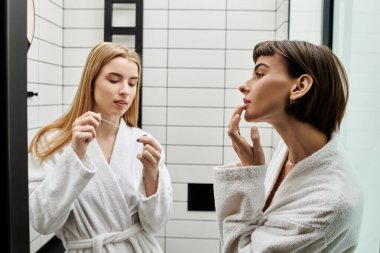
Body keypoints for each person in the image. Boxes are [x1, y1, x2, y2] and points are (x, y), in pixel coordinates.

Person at [213, 40, 363, 252]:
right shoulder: (290, 151)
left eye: (259, 74)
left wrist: (248, 177)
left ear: (300, 87)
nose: (244, 85)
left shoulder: (329, 203)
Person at [28, 42, 172, 252]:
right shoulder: (51, 143)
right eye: (114, 80)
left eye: (133, 84)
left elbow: (155, 224)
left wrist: (152, 176)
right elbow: (42, 222)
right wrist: (75, 156)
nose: (125, 91)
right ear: (91, 82)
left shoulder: (143, 143)